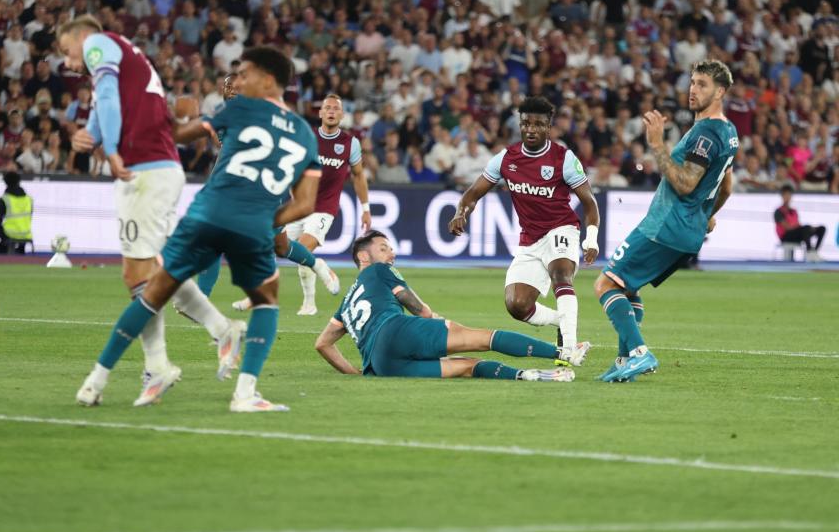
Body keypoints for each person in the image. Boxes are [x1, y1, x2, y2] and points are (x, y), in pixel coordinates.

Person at [82, 46, 321, 412]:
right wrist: (266, 220)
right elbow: (305, 204)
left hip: (206, 215)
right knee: (267, 301)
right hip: (254, 227)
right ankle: (244, 394)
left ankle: (96, 381)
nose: (237, 81)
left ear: (269, 80)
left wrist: (172, 112)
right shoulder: (306, 134)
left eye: (245, 74)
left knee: (152, 291)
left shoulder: (238, 109)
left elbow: (180, 134)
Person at [60, 15, 242, 407]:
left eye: (66, 52)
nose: (69, 63)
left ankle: (163, 363)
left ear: (81, 37)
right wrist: (89, 133)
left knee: (138, 276)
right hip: (159, 168)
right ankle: (216, 331)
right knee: (154, 275)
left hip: (144, 170)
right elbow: (103, 98)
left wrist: (109, 149)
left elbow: (107, 96)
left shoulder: (98, 44)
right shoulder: (123, 51)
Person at [594, 59, 739, 383]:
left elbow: (686, 182)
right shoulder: (729, 133)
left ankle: (641, 354)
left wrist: (658, 145)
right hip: (687, 231)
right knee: (628, 288)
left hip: (665, 225)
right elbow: (726, 185)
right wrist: (707, 216)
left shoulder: (706, 133)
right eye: (692, 81)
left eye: (702, 84)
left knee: (605, 283)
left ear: (721, 91)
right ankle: (623, 361)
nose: (693, 89)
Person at [314, 231, 587, 380]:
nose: (391, 254)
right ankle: (563, 353)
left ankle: (527, 375)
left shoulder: (347, 301)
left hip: (380, 364)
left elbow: (323, 344)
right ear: (364, 255)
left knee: (466, 368)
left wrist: (353, 373)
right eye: (384, 248)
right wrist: (434, 319)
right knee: (481, 339)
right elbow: (414, 305)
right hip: (396, 331)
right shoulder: (377, 271)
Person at [449, 96, 601, 359]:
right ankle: (562, 322)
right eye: (526, 123)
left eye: (538, 124)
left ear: (548, 127)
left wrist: (592, 238)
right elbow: (473, 193)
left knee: (561, 275)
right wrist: (460, 213)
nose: (531, 129)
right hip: (530, 239)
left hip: (562, 228)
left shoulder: (563, 158)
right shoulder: (506, 159)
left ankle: (570, 349)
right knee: (517, 304)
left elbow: (589, 202)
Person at [196, 80, 342, 314]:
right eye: (228, 87)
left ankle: (316, 265)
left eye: (238, 88)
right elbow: (225, 152)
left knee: (279, 247)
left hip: (264, 192)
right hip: (242, 192)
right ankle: (201, 299)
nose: (232, 91)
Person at [232, 94, 372, 315]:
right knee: (277, 249)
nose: (332, 111)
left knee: (303, 249)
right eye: (328, 108)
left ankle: (304, 294)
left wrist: (365, 208)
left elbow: (358, 175)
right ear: (320, 113)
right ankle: (301, 302)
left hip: (324, 208)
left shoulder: (350, 143)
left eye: (336, 108)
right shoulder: (306, 137)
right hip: (299, 204)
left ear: (342, 114)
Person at [775, 185, 826, 262]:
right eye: (785, 195)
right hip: (786, 236)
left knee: (821, 228)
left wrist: (809, 229)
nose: (788, 197)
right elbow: (787, 227)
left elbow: (797, 225)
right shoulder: (778, 211)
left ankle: (814, 252)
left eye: (789, 195)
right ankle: (809, 251)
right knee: (806, 228)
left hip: (796, 234)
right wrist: (803, 228)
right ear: (782, 196)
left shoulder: (794, 211)